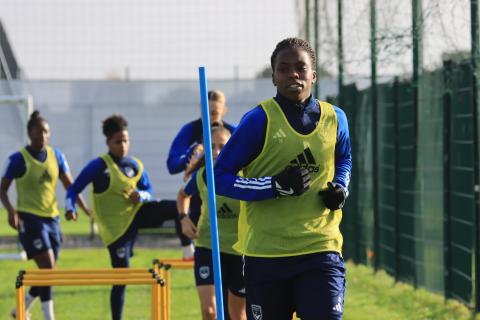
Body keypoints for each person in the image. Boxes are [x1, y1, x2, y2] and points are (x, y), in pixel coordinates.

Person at [214, 38, 352, 320]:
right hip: (267, 255)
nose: (293, 74)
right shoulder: (258, 120)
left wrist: (341, 186)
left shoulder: (335, 118)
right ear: (274, 77)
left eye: (301, 68)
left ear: (313, 74)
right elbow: (219, 177)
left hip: (320, 248)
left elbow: (344, 159)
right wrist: (273, 186)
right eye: (284, 69)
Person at [65, 114, 192, 320]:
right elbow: (73, 190)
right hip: (116, 229)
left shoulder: (135, 165)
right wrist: (70, 208)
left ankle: (188, 251)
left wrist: (140, 195)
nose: (123, 145)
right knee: (122, 276)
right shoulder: (98, 166)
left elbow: (148, 189)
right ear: (108, 142)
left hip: (136, 213)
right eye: (118, 142)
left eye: (126, 140)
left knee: (174, 207)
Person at [0, 111, 90, 320]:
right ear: (30, 132)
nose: (43, 135)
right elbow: (2, 189)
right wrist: (11, 211)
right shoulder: (17, 159)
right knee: (48, 267)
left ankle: (21, 308)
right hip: (29, 219)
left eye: (47, 131)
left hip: (53, 219)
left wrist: (82, 208)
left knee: (48, 272)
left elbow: (71, 186)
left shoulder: (56, 156)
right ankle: (49, 316)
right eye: (39, 131)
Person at [177, 125, 246, 320]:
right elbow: (183, 195)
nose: (216, 152)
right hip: (208, 245)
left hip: (240, 250)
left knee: (238, 315)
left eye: (222, 147)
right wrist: (184, 218)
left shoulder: (245, 175)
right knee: (209, 311)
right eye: (212, 146)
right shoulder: (202, 176)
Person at [167, 90, 236, 225]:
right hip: (199, 191)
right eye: (205, 112)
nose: (209, 118)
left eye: (214, 113)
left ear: (224, 110)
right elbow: (172, 165)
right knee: (189, 219)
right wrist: (192, 152)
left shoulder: (233, 131)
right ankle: (190, 246)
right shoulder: (190, 129)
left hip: (228, 189)